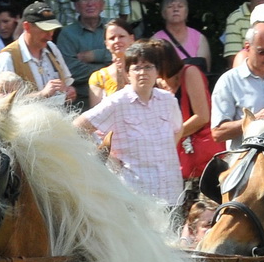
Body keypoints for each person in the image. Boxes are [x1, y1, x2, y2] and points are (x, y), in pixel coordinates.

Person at [76, 43, 185, 205]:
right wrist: (107, 156)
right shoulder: (117, 102)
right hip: (136, 195)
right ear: (127, 73)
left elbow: (178, 130)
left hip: (171, 191)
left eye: (148, 67)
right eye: (136, 68)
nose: (142, 73)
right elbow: (79, 127)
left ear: (157, 71)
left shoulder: (168, 100)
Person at [152, 39, 221, 184]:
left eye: (150, 65)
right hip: (177, 157)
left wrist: (168, 137)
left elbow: (202, 117)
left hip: (201, 152)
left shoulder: (190, 72)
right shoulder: (158, 84)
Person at [0, 2, 73, 103]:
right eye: (45, 30)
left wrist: (69, 92)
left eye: (52, 30)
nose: (50, 36)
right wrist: (41, 94)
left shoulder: (51, 48)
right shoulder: (7, 57)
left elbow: (68, 84)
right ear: (27, 26)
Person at [56, 0, 116, 100]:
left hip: (115, 94)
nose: (90, 4)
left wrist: (95, 55)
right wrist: (110, 69)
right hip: (82, 98)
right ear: (76, 6)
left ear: (103, 5)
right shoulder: (67, 33)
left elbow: (126, 55)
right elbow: (70, 71)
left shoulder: (113, 27)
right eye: (85, 0)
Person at [153, 0, 211, 74]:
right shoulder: (155, 41)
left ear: (186, 12)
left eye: (180, 6)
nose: (176, 9)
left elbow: (204, 73)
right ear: (163, 13)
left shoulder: (199, 39)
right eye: (170, 7)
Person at [87, 19, 137, 107]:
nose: (117, 41)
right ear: (106, 44)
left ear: (132, 39)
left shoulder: (144, 70)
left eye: (121, 36)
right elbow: (95, 115)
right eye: (112, 38)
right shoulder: (99, 78)